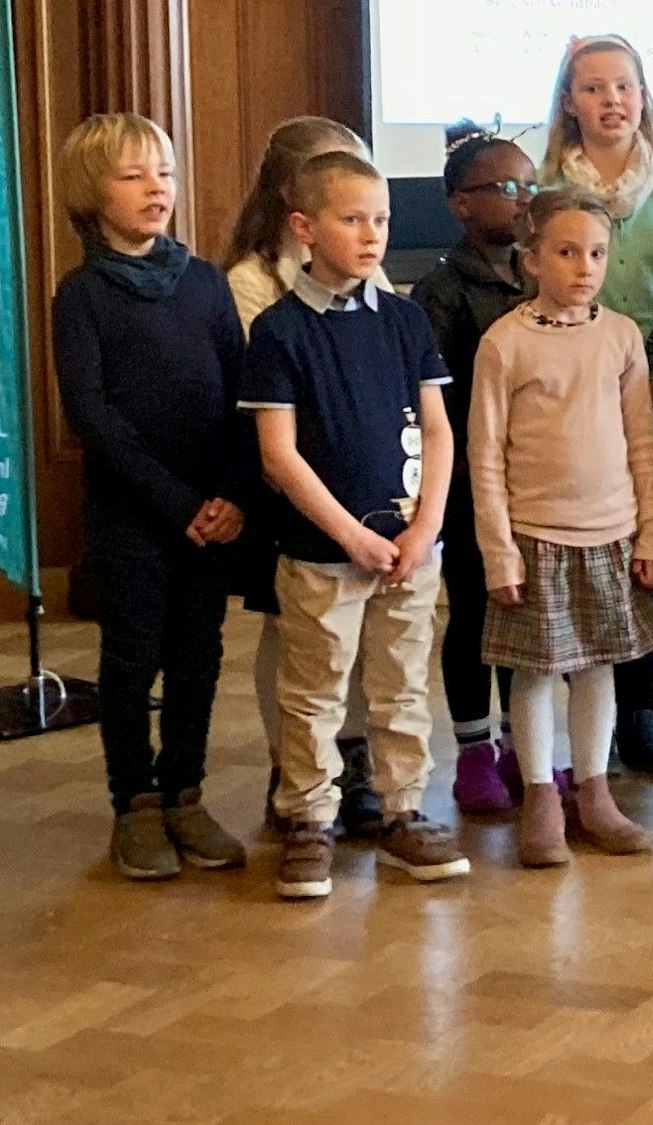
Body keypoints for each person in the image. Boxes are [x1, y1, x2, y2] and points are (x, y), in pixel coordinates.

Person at [242, 151, 468, 899]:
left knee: (402, 686)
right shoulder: (279, 332)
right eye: (352, 219)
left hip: (409, 548)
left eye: (382, 220)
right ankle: (309, 819)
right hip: (322, 553)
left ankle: (403, 811)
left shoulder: (404, 319)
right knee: (314, 692)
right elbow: (279, 454)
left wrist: (424, 525)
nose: (372, 235)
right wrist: (350, 536)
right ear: (304, 227)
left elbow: (438, 431)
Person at [52, 113, 249, 880]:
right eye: (133, 175)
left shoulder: (203, 282)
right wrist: (177, 503)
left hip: (214, 507)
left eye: (163, 172)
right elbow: (91, 415)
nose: (155, 188)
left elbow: (243, 393)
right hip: (136, 510)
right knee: (132, 659)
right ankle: (133, 803)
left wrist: (231, 493)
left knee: (198, 656)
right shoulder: (83, 295)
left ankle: (185, 794)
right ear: (91, 193)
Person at [468, 190, 653, 867]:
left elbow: (642, 441)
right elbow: (485, 454)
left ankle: (593, 789)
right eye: (566, 251)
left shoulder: (619, 336)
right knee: (535, 671)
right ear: (532, 260)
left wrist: (648, 536)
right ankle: (540, 796)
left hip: (609, 534)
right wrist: (500, 553)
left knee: (598, 667)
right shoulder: (505, 343)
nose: (585, 266)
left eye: (597, 253)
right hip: (534, 535)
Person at [222, 115, 395, 838]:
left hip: (360, 484)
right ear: (297, 199)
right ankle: (290, 759)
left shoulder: (370, 267)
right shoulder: (252, 280)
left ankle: (351, 757)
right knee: (291, 632)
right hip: (289, 483)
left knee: (354, 634)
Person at [538, 32, 653, 779]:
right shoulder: (544, 187)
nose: (611, 100)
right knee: (579, 552)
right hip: (573, 398)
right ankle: (576, 721)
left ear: (644, 96)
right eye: (594, 87)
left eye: (624, 86)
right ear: (570, 101)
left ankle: (636, 710)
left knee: (646, 554)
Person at [410, 120, 536, 815]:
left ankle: (525, 743)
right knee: (475, 613)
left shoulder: (541, 273)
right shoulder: (442, 292)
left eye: (530, 185)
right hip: (467, 483)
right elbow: (439, 399)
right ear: (461, 202)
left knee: (524, 615)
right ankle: (474, 750)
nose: (522, 199)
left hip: (535, 480)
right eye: (506, 186)